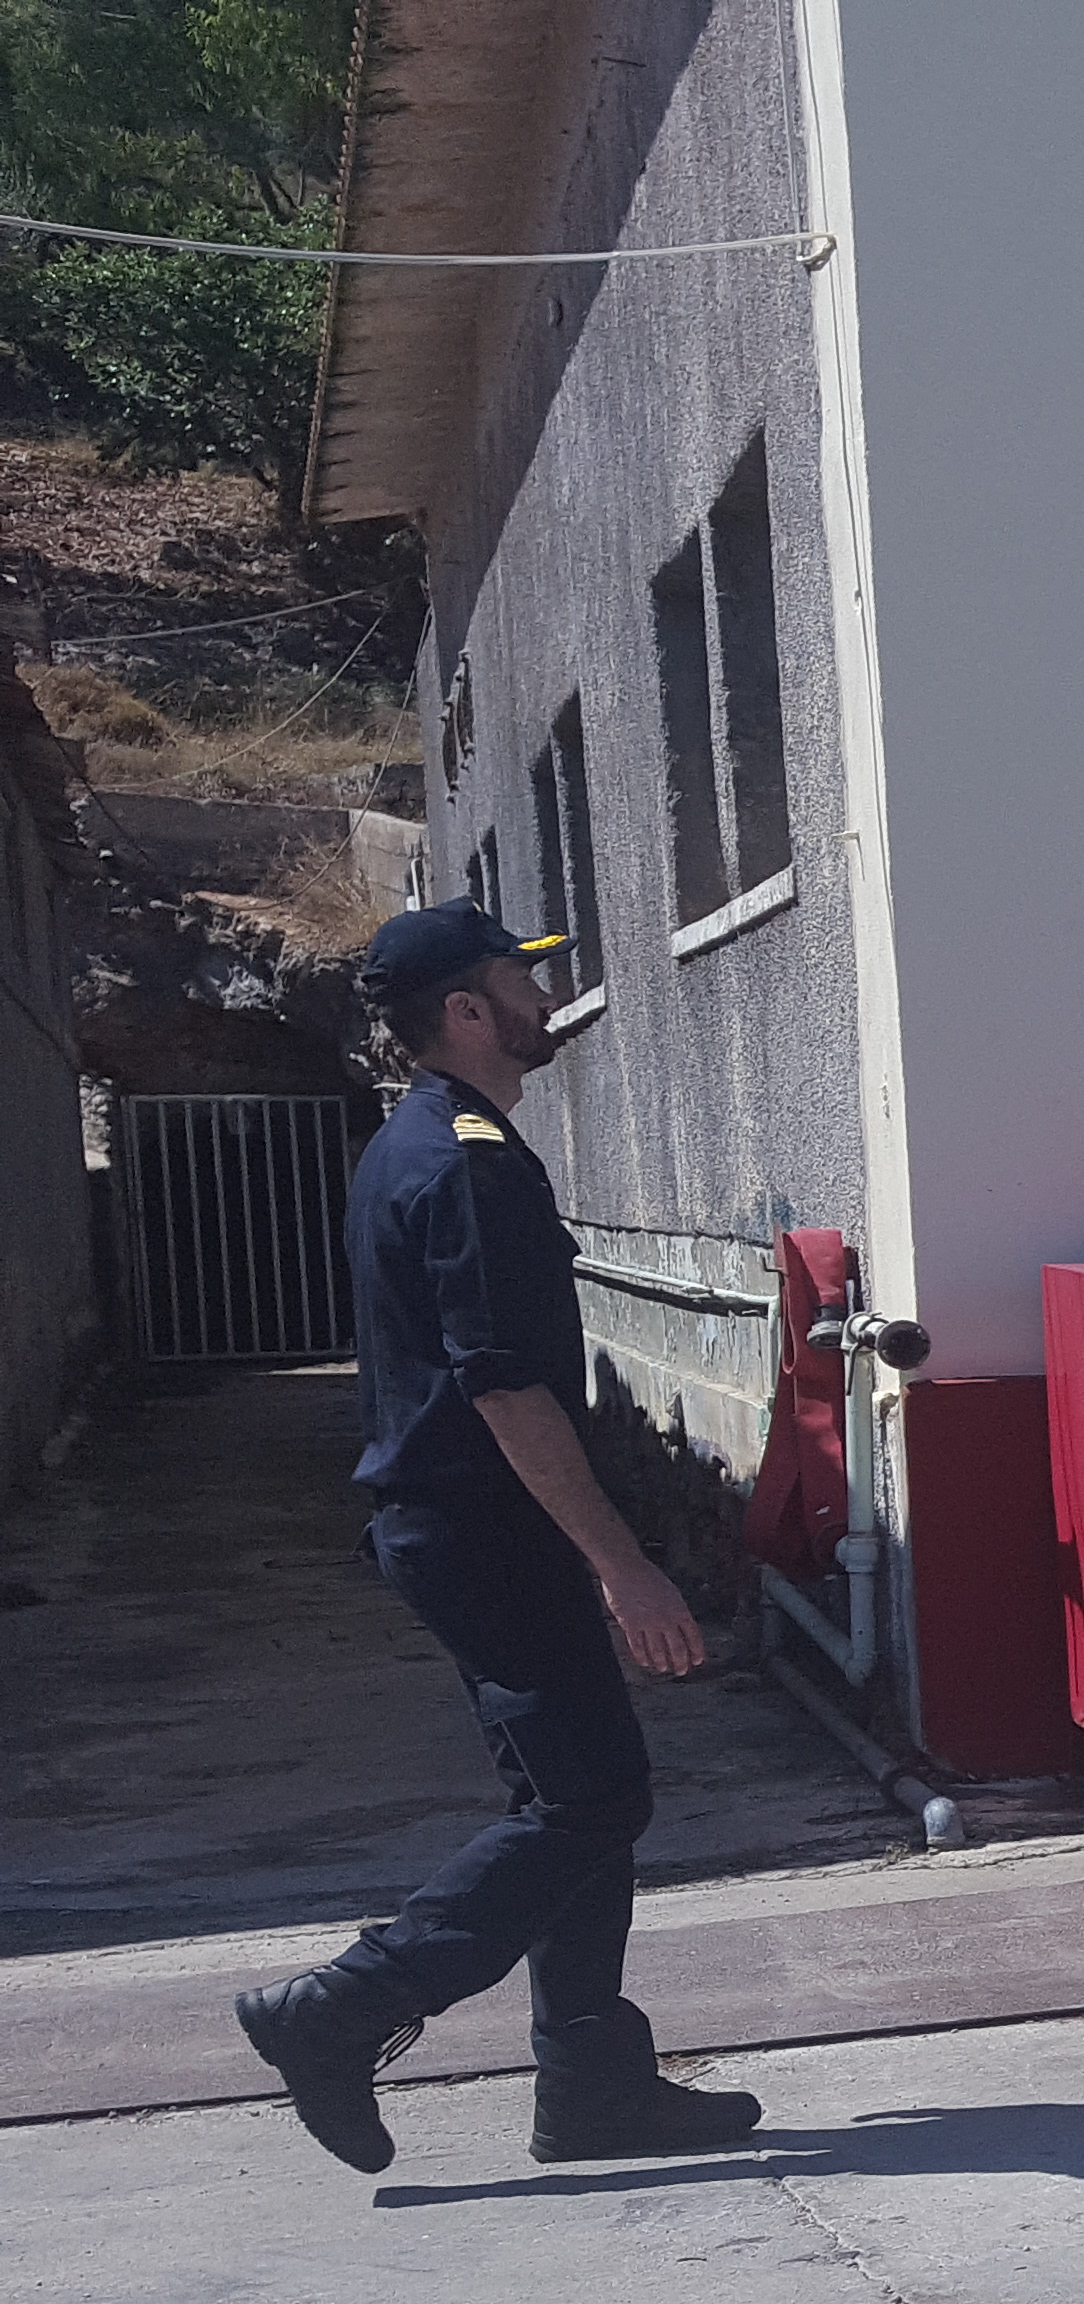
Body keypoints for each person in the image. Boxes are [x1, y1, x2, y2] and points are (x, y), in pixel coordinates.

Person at [233, 903, 760, 2176]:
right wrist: (621, 1563)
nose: (543, 999)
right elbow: (506, 1389)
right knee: (592, 1800)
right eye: (520, 982)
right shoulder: (465, 1164)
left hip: (467, 1530)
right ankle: (347, 2005)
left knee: (576, 1797)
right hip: (488, 1532)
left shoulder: (421, 1139)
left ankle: (592, 2087)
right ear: (468, 1012)